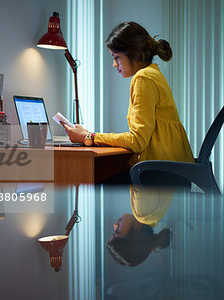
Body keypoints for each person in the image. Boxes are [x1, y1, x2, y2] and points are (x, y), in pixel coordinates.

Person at [63, 22, 194, 177]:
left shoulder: (143, 78)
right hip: (172, 169)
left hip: (159, 173)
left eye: (116, 57)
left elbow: (137, 141)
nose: (114, 64)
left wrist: (90, 137)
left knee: (89, 179)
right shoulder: (153, 73)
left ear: (134, 53)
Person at [107, 186, 174, 266]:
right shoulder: (142, 212)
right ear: (135, 237)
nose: (115, 225)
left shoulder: (151, 219)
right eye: (117, 231)